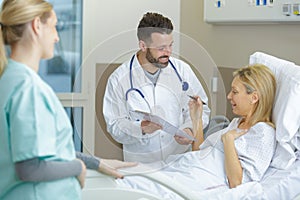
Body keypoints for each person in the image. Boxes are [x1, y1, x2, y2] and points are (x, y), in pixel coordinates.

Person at [0, 1, 136, 199]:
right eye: (54, 26)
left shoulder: (9, 79)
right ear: (37, 25)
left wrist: (94, 162)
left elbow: (48, 151)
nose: (57, 37)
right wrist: (77, 167)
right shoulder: (28, 88)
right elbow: (29, 168)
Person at [117, 64, 277, 199]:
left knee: (136, 189)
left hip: (200, 179)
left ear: (254, 97)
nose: (229, 96)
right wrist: (197, 119)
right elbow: (201, 152)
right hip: (187, 166)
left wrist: (228, 140)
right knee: (126, 175)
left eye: (235, 92)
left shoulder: (263, 132)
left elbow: (237, 183)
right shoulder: (236, 123)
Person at [103, 12, 211, 163]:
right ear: (143, 46)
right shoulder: (119, 79)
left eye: (170, 45)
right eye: (161, 48)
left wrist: (189, 128)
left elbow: (202, 109)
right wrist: (140, 128)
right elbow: (115, 126)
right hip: (141, 164)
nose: (168, 52)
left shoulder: (182, 71)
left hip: (179, 162)